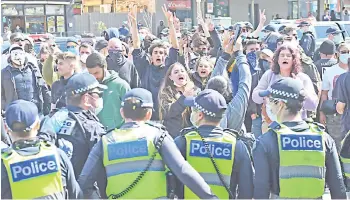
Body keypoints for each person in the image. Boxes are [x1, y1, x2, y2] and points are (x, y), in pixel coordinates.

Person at [78, 88, 218, 199]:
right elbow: (183, 171)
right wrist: (211, 197)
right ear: (149, 114)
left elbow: (84, 184)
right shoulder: (159, 136)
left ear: (122, 112)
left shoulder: (105, 141)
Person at [253, 78, 346, 199]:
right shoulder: (323, 138)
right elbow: (338, 187)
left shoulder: (266, 141)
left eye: (270, 100)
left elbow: (261, 189)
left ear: (281, 104)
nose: (267, 104)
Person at [174, 89, 254, 199]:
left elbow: (170, 182)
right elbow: (247, 189)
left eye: (194, 109)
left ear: (200, 115)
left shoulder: (183, 142)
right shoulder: (236, 145)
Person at [1, 100, 83, 199]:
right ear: (38, 125)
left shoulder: (4, 163)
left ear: (6, 128)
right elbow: (76, 195)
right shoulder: (58, 155)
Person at [40, 72, 106, 184]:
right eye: (97, 94)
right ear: (86, 98)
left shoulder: (51, 120)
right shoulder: (92, 127)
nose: (100, 97)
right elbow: (101, 171)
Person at [1, 44, 51, 116]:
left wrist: (47, 107)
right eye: (15, 54)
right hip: (15, 112)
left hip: (36, 111)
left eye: (21, 53)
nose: (18, 56)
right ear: (10, 56)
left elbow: (43, 88)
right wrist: (5, 107)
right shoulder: (4, 73)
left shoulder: (33, 69)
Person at [86, 52, 130, 131]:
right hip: (95, 133)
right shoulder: (87, 86)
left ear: (105, 67)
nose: (94, 77)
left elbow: (130, 114)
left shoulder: (121, 85)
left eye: (96, 73)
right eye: (90, 74)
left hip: (117, 134)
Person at [320, 43, 350, 150]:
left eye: (348, 52)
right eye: (344, 52)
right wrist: (322, 112)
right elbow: (324, 93)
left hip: (347, 112)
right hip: (334, 115)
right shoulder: (330, 71)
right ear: (337, 54)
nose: (347, 55)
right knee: (337, 147)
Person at [158, 62, 197, 138]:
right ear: (170, 77)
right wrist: (184, 96)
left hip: (191, 135)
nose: (180, 73)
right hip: (174, 136)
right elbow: (168, 112)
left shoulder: (195, 91)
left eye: (182, 71)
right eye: (176, 72)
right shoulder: (165, 93)